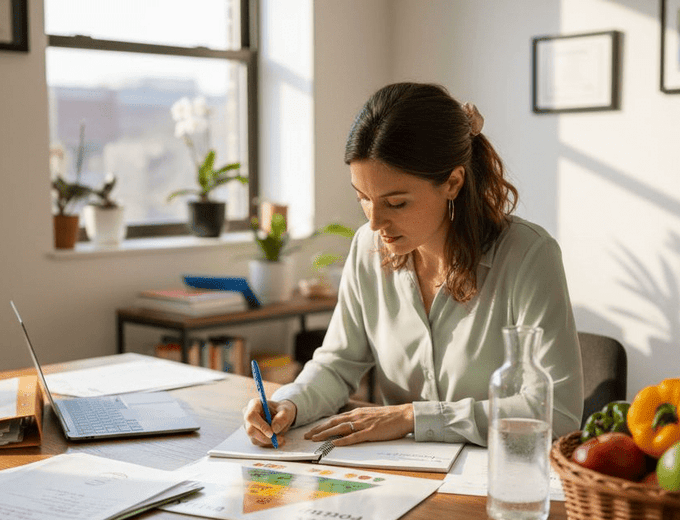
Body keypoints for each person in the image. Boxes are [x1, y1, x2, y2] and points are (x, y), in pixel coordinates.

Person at [242, 82, 582, 448]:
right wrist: (290, 403)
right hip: (400, 478)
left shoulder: (528, 256)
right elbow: (337, 365)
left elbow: (557, 414)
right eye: (363, 199)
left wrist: (411, 417)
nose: (375, 223)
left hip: (496, 479)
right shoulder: (367, 248)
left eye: (396, 203)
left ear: (452, 182)